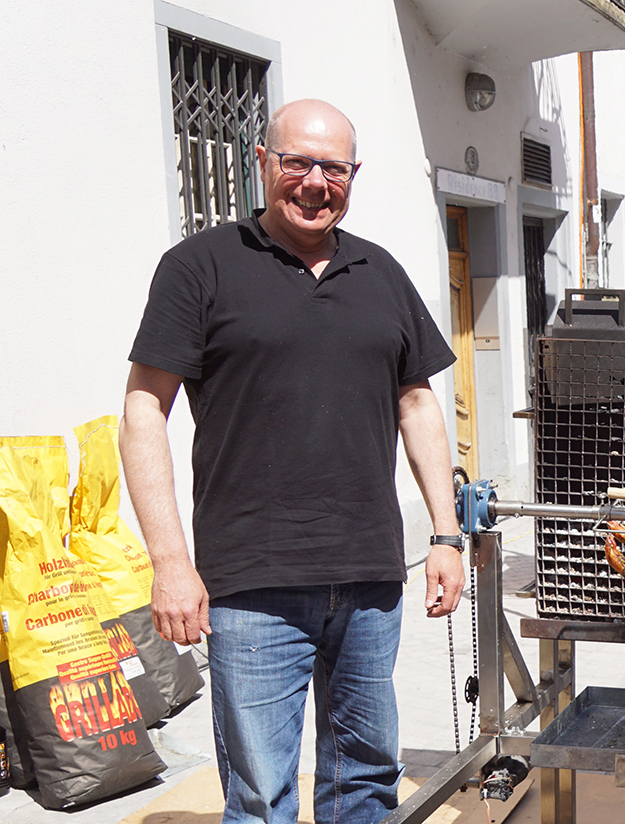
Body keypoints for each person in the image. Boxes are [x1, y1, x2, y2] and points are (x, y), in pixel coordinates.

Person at [120, 100, 464, 824]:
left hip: (370, 578)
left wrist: (444, 533)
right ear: (263, 162)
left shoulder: (380, 270)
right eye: (297, 162)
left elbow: (418, 405)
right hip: (251, 585)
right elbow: (143, 412)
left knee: (367, 779)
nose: (314, 181)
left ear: (353, 174)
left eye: (332, 167)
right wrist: (170, 564)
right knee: (262, 794)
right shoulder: (200, 267)